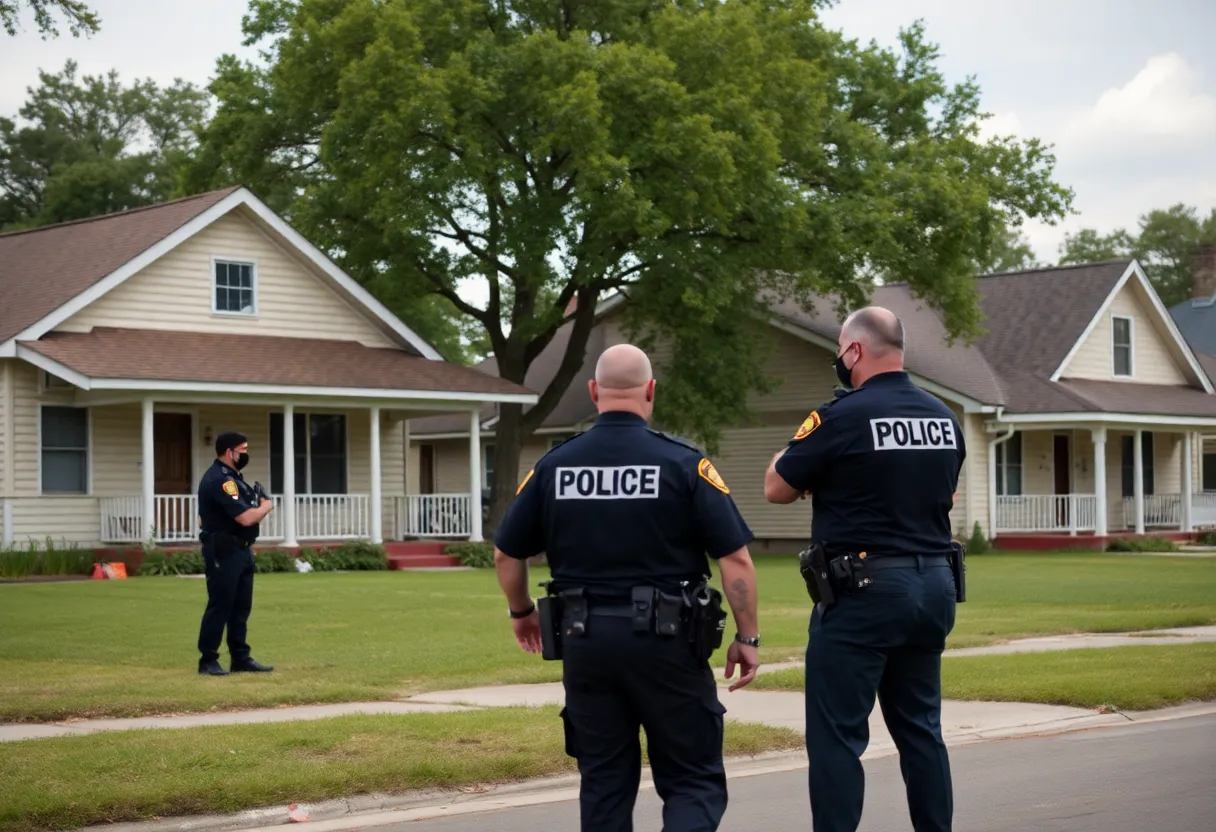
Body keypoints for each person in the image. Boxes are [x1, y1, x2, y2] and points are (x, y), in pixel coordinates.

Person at [494, 343, 762, 832]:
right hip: (669, 645)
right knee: (691, 780)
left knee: (603, 782)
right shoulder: (683, 463)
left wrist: (521, 611)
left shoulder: (555, 467)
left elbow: (506, 554)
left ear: (594, 391)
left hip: (585, 642)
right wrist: (747, 637)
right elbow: (735, 559)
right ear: (651, 391)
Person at [763, 307, 964, 832]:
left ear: (853, 351)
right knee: (922, 729)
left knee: (836, 738)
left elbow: (776, 486)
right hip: (933, 584)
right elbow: (945, 493)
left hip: (864, 592)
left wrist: (819, 474)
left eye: (839, 349)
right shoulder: (944, 417)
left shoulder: (841, 417)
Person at [196, 431, 276, 676]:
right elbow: (244, 517)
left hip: (241, 550)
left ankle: (240, 658)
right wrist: (266, 505)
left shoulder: (234, 478)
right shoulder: (221, 479)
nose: (245, 454)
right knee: (220, 605)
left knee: (241, 607)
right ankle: (208, 660)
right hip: (224, 550)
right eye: (242, 450)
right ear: (229, 452)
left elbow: (203, 519)